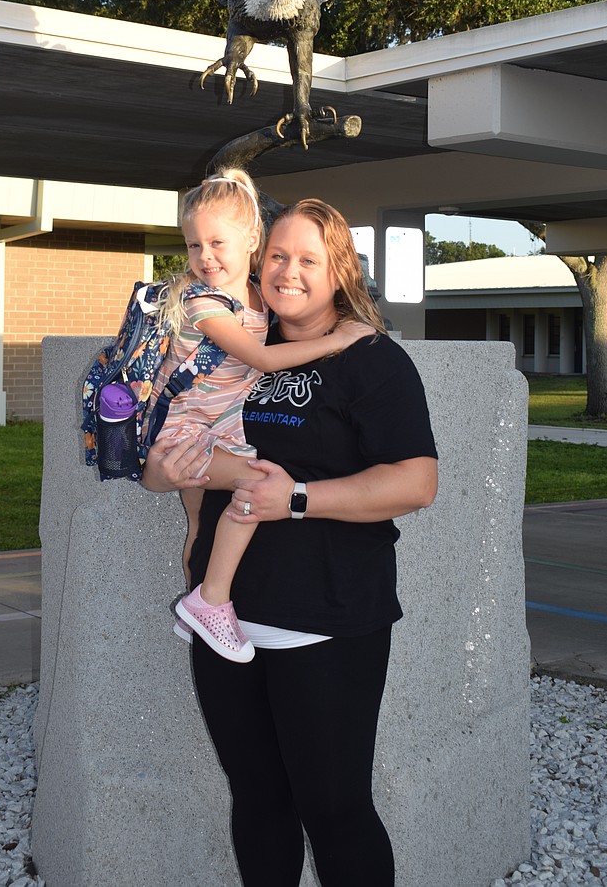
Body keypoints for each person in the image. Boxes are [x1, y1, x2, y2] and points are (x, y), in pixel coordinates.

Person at [142, 198, 438, 887]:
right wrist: (165, 472)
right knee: (258, 801)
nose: (288, 271)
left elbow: (416, 481)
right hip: (224, 624)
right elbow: (166, 445)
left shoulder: (371, 359)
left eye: (309, 258)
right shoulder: (232, 337)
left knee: (334, 809)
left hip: (327, 622)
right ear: (257, 256)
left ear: (340, 270)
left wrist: (298, 498)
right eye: (278, 255)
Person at [152, 170, 373, 663]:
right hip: (186, 430)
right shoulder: (203, 302)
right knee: (254, 486)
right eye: (193, 246)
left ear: (252, 238)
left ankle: (203, 606)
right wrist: (338, 340)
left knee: (202, 528)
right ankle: (209, 602)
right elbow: (264, 360)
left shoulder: (258, 293)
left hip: (220, 426)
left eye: (216, 242)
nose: (204, 257)